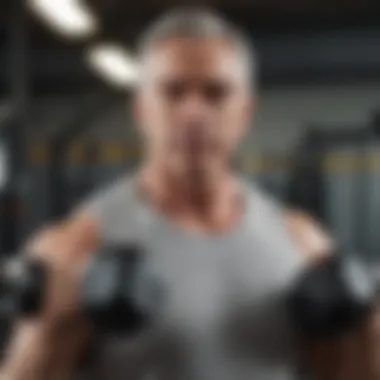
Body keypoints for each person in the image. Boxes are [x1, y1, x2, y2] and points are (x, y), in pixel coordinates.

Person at [1, 7, 379, 380]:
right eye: (173, 92)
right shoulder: (76, 245)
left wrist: (369, 330)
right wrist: (51, 332)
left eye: (216, 94)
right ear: (141, 110)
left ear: (244, 112)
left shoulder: (302, 242)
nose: (193, 113)